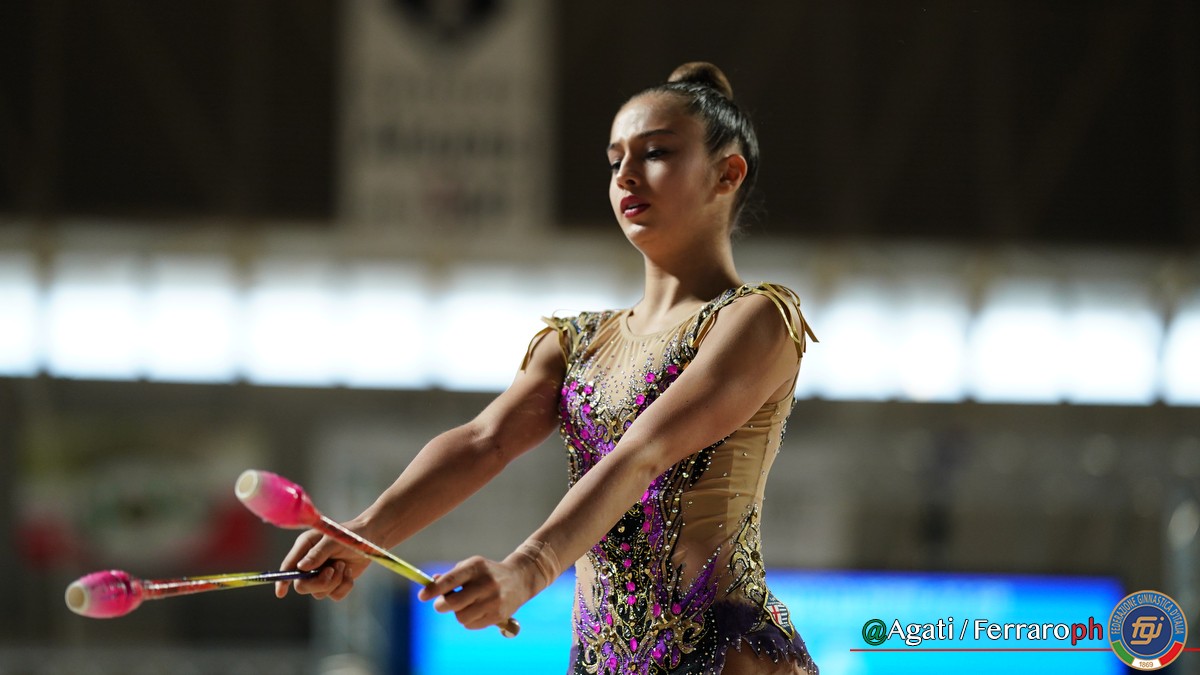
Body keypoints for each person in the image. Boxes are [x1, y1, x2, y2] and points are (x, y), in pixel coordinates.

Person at [277, 61, 819, 675]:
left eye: (656, 153)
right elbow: (484, 441)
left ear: (727, 173)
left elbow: (644, 452)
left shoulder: (755, 320)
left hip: (722, 652)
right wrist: (362, 535)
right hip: (599, 660)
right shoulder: (575, 342)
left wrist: (527, 570)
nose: (627, 175)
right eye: (614, 160)